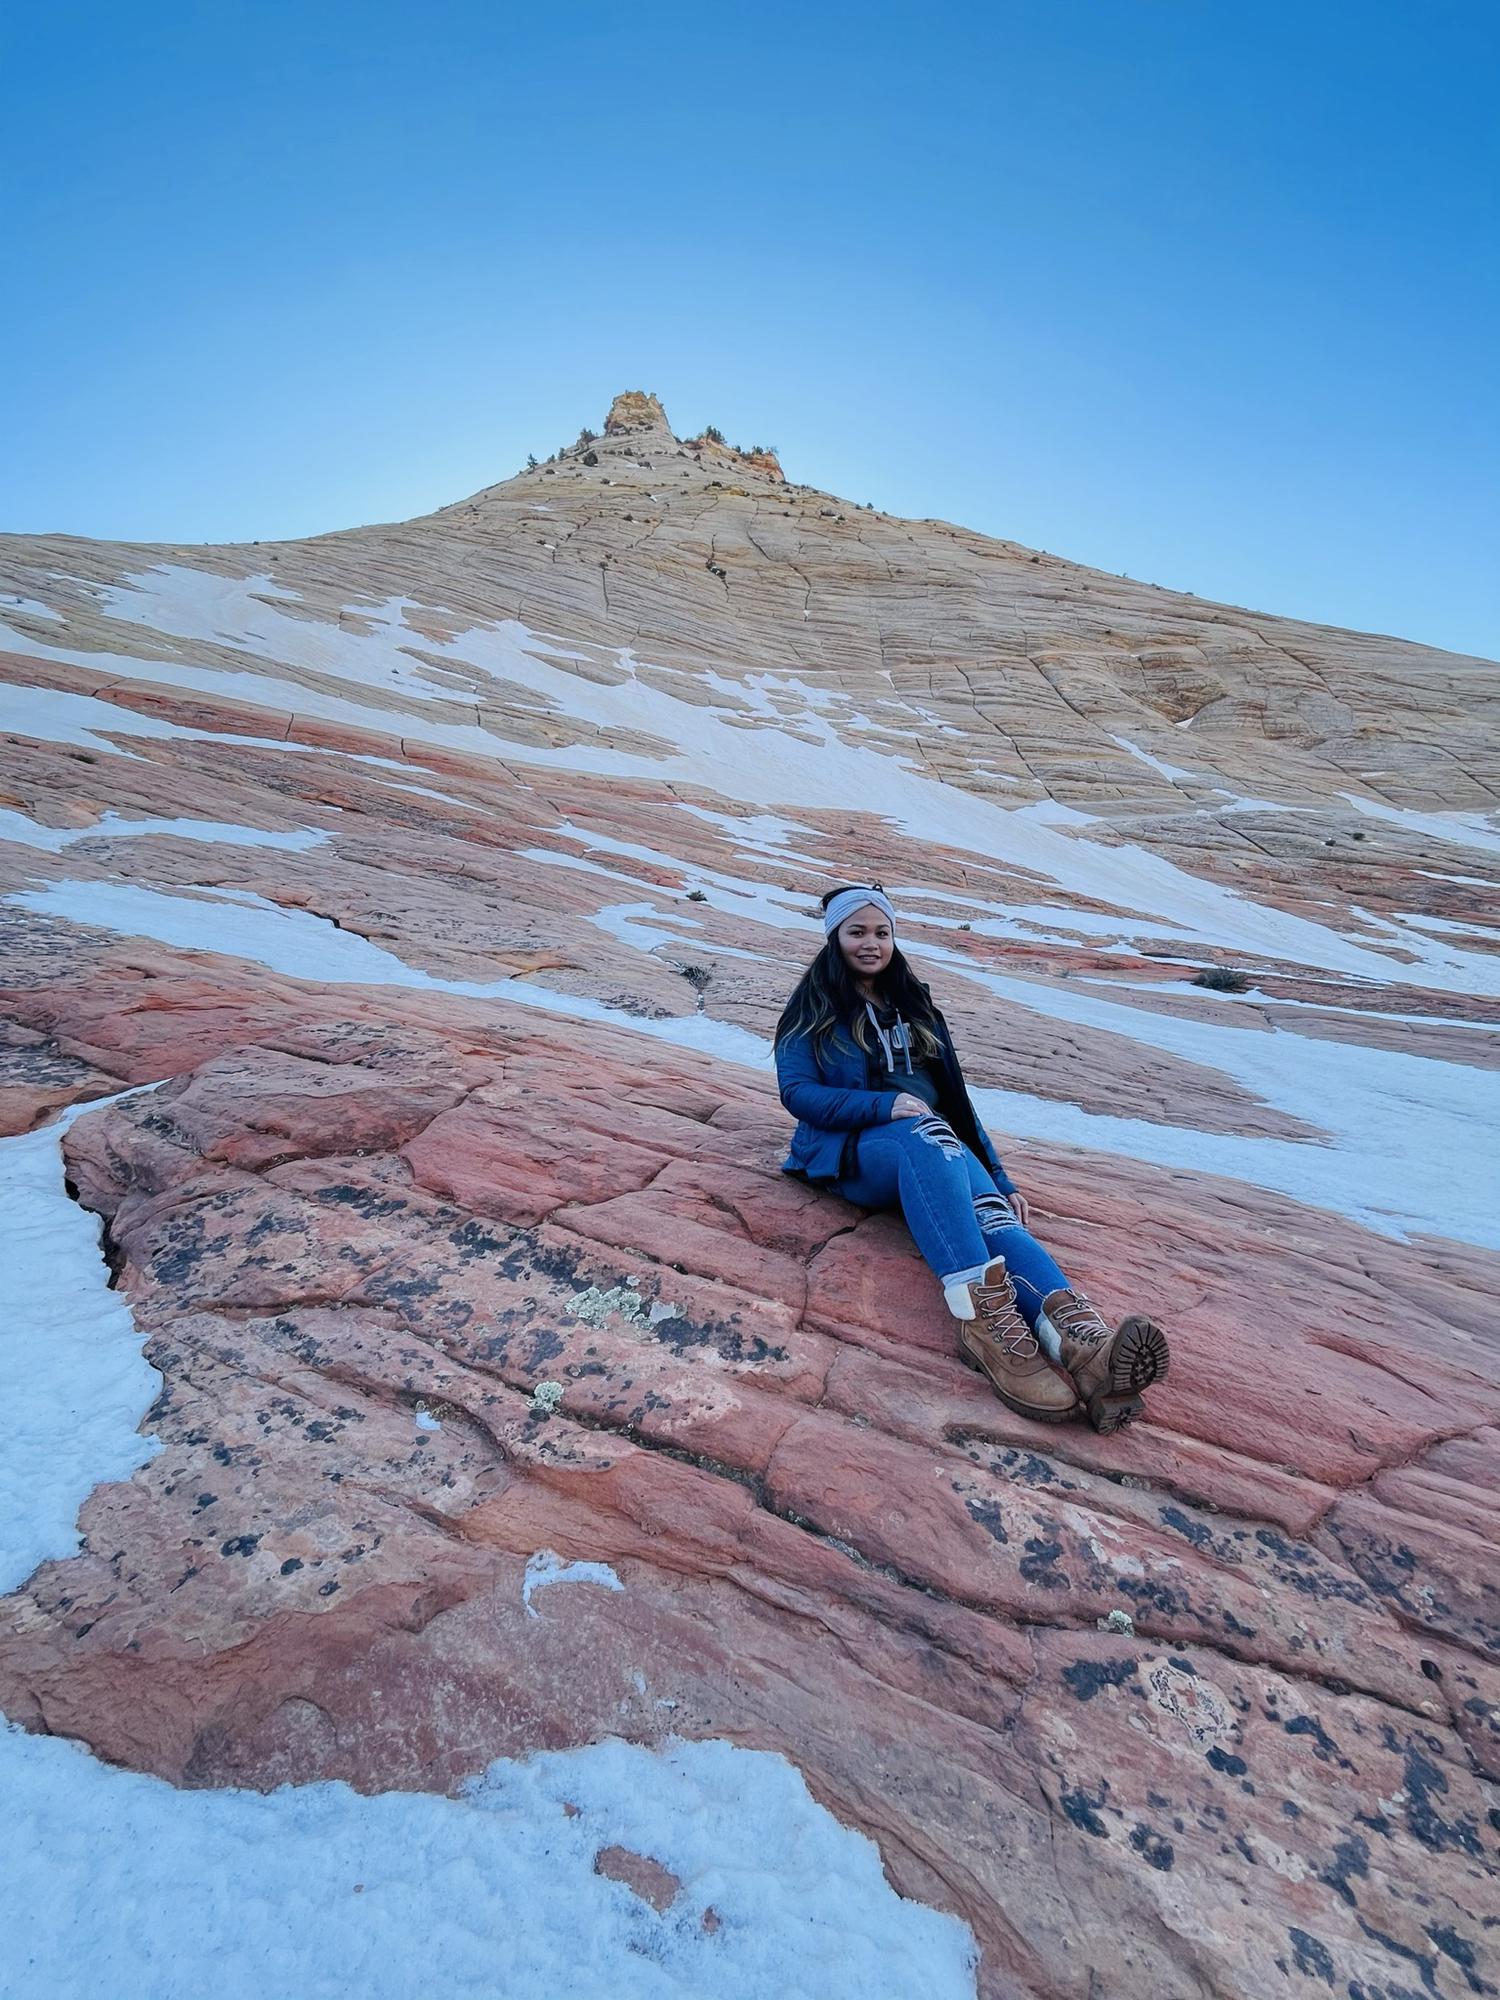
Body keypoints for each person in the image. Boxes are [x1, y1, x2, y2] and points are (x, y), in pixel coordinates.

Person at [774, 884, 1170, 1430]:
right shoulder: (814, 1007)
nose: (871, 944)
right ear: (834, 936)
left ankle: (1085, 1348)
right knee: (922, 1134)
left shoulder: (914, 1004)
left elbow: (957, 1103)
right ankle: (983, 1323)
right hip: (853, 1152)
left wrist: (1001, 1177)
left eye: (882, 932)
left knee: (991, 1215)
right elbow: (796, 1092)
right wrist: (884, 1105)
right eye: (857, 932)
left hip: (936, 1143)